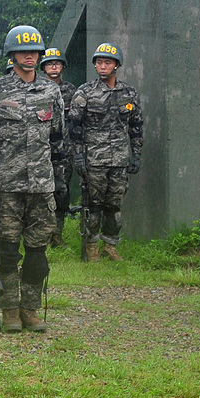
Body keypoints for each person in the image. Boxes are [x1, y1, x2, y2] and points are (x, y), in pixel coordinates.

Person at [0, 26, 66, 333]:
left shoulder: (51, 92)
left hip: (41, 185)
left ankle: (30, 310)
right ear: (12, 55)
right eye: (22, 51)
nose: (29, 56)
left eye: (34, 51)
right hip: (8, 185)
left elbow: (58, 141)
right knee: (7, 251)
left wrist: (61, 182)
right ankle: (10, 310)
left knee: (37, 254)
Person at [69, 42, 143, 262]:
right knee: (93, 205)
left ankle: (110, 246)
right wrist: (79, 156)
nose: (102, 66)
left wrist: (136, 154)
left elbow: (136, 127)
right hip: (94, 160)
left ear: (116, 65)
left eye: (107, 62)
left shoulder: (128, 93)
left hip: (119, 160)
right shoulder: (85, 93)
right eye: (99, 62)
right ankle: (90, 247)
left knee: (114, 206)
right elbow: (74, 128)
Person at [40, 48, 78, 246]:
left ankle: (57, 234)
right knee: (40, 193)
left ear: (62, 66)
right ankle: (40, 234)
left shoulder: (71, 91)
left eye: (57, 63)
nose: (53, 67)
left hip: (65, 151)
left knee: (61, 192)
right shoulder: (37, 89)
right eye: (49, 63)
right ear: (43, 67)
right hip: (41, 150)